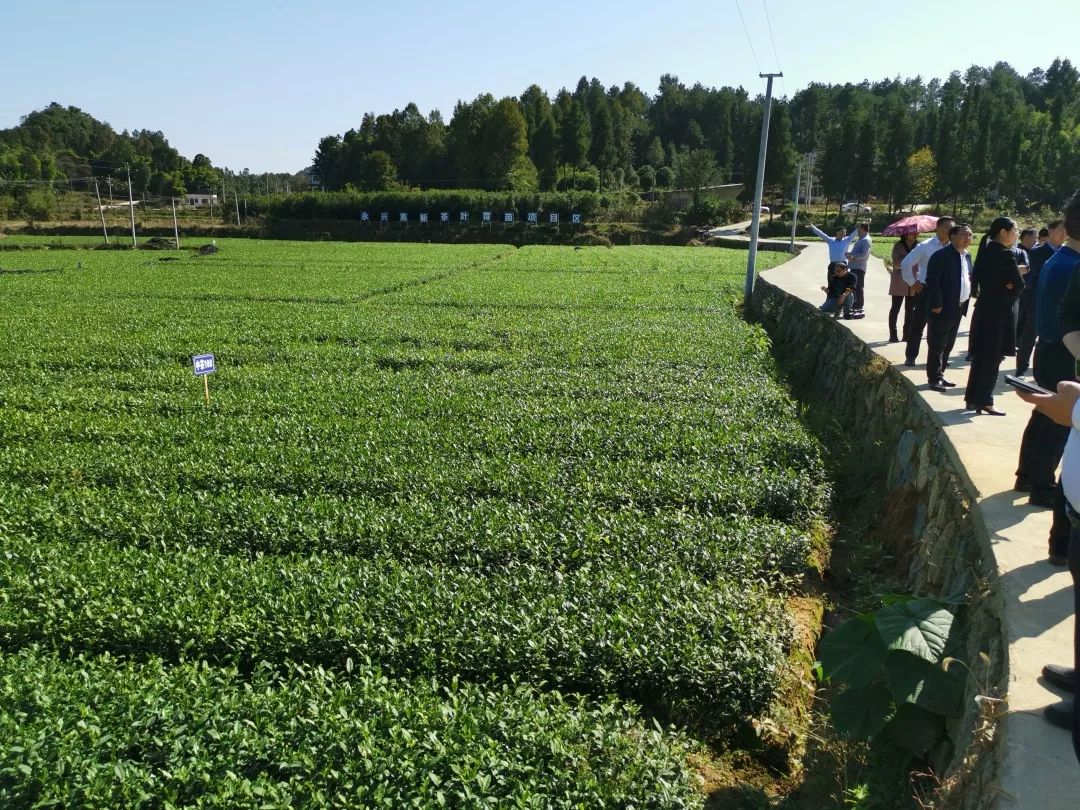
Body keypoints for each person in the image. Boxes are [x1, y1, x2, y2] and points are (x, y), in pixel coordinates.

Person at [964, 217, 1024, 415]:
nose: (1017, 234)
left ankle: (972, 398)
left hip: (984, 309)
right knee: (993, 356)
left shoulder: (986, 251)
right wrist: (1010, 287)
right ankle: (985, 400)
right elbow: (1019, 285)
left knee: (981, 355)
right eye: (1015, 230)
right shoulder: (1005, 255)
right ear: (1003, 232)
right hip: (1000, 313)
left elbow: (979, 279)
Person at [900, 216, 956, 367]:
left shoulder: (955, 248)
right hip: (927, 291)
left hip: (947, 293)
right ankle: (911, 356)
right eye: (946, 227)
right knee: (918, 325)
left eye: (952, 228)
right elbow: (906, 264)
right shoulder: (926, 246)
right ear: (937, 228)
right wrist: (913, 283)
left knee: (943, 329)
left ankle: (939, 359)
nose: (950, 231)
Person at [924, 224, 974, 391]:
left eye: (970, 235)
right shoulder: (941, 255)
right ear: (952, 236)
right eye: (964, 235)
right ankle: (934, 378)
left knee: (948, 344)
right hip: (942, 307)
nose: (968, 238)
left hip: (958, 307)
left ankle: (941, 374)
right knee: (937, 343)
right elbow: (933, 281)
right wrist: (936, 304)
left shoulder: (967, 256)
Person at [1016, 220, 1067, 375]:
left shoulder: (1068, 253)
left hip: (1061, 304)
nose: (1064, 234)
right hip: (1038, 301)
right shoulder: (1036, 252)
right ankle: (1021, 369)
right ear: (1050, 231)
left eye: (1066, 231)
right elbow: (1029, 278)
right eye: (1060, 230)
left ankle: (1049, 369)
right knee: (1029, 336)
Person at [888, 231, 918, 343]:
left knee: (910, 310)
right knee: (895, 308)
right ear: (905, 234)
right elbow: (896, 263)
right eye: (912, 232)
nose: (915, 234)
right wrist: (911, 262)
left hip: (913, 281)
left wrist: (908, 262)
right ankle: (893, 335)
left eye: (916, 232)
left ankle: (907, 335)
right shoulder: (898, 246)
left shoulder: (919, 246)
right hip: (899, 280)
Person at [845, 223, 872, 319]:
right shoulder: (861, 239)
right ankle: (855, 306)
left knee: (858, 287)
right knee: (855, 287)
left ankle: (859, 307)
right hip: (855, 266)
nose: (857, 230)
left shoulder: (866, 240)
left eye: (858, 228)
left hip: (859, 267)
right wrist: (850, 254)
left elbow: (864, 254)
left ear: (863, 229)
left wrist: (853, 257)